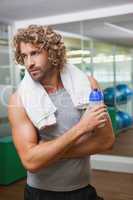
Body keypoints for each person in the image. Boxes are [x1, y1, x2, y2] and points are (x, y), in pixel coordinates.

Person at [8, 25, 115, 200]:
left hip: (83, 189)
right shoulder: (19, 99)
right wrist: (81, 128)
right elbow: (30, 162)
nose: (29, 63)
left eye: (35, 53)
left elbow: (106, 140)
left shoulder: (88, 86)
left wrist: (47, 153)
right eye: (24, 56)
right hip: (41, 193)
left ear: (52, 52)